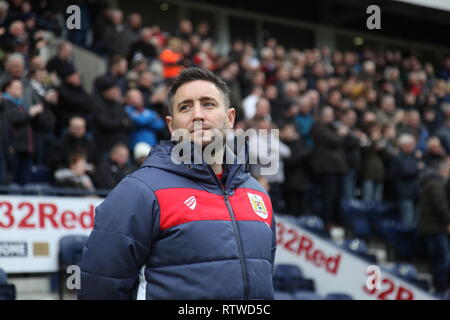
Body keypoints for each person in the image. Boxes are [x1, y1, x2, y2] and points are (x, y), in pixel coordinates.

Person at [79, 67, 276, 300]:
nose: (198, 115)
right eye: (185, 107)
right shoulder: (138, 191)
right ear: (172, 126)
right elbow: (100, 288)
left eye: (208, 104)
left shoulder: (258, 195)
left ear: (230, 118)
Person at [417, 156, 450, 295]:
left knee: (439, 259)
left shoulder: (432, 181)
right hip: (435, 227)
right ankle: (441, 289)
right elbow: (440, 206)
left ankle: (440, 288)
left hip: (432, 227)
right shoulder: (435, 183)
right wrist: (449, 221)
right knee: (442, 259)